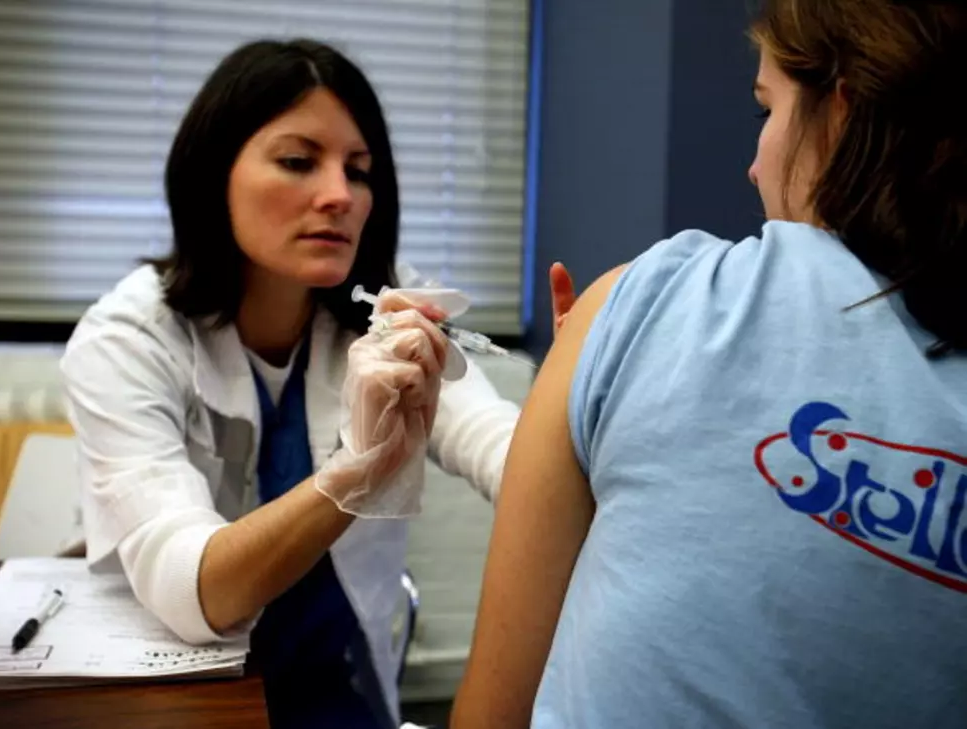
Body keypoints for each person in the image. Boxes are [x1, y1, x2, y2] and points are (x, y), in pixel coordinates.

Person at [451, 1, 967, 727]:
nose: (755, 165)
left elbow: (491, 714)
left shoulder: (642, 302)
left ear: (842, 114)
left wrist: (601, 369)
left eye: (769, 110)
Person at [60, 39, 574, 729]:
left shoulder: (392, 310)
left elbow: (495, 443)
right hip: (175, 698)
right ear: (214, 174)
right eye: (299, 162)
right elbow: (194, 587)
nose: (339, 195)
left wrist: (576, 408)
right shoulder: (126, 338)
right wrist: (352, 475)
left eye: (358, 171)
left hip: (331, 693)